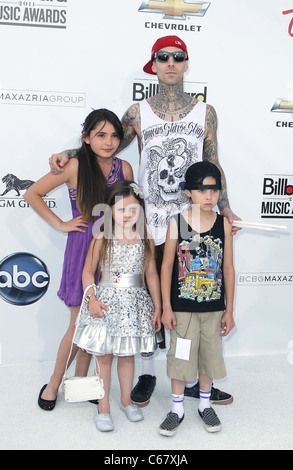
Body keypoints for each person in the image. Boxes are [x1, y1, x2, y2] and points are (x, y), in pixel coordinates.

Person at [49, 35, 239, 407]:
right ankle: (149, 374)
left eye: (178, 57)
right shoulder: (138, 112)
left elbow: (212, 162)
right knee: (149, 300)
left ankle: (202, 379)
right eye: (163, 57)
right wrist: (67, 151)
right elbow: (108, 143)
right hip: (148, 222)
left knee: (192, 298)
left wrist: (226, 208)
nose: (171, 63)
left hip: (192, 220)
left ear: (186, 64)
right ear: (153, 65)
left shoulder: (206, 112)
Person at [24, 109, 133, 410]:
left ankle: (83, 381)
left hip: (114, 249)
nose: (108, 141)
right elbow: (32, 193)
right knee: (78, 323)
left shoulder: (125, 168)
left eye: (114, 135)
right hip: (82, 246)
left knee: (102, 319)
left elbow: (130, 213)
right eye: (100, 135)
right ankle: (55, 382)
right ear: (86, 138)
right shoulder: (73, 166)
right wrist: (61, 224)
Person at [75, 180, 161, 432]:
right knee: (103, 356)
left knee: (126, 355)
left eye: (134, 210)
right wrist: (91, 299)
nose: (128, 215)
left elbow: (152, 274)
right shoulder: (102, 236)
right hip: (106, 304)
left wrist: (158, 305)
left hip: (134, 305)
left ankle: (126, 400)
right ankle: (103, 407)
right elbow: (87, 272)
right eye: (121, 209)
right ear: (110, 209)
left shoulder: (145, 237)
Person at [159, 161, 235, 436]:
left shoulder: (223, 225)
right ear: (188, 192)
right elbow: (166, 266)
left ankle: (205, 404)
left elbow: (228, 268)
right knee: (181, 358)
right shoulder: (177, 223)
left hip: (214, 309)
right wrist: (167, 306)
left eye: (214, 190)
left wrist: (229, 310)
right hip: (182, 309)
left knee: (209, 356)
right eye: (203, 190)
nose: (209, 196)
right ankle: (177, 408)